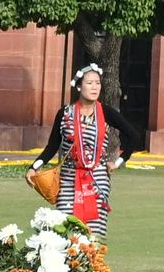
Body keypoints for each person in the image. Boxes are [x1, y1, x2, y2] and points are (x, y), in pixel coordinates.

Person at [49, 63, 117, 226]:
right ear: (79, 86)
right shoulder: (65, 113)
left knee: (94, 233)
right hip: (68, 178)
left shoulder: (105, 112)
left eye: (97, 83)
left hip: (97, 179)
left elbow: (133, 136)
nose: (94, 87)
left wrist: (118, 161)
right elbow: (52, 146)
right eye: (89, 83)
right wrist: (33, 167)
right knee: (65, 229)